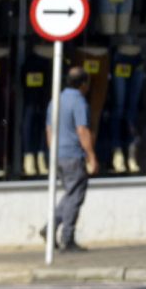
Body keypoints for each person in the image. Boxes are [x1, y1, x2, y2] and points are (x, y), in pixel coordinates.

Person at [50, 62, 96, 253]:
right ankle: (67, 238)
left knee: (69, 194)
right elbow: (82, 130)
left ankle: (50, 227)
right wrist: (91, 156)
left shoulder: (56, 100)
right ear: (83, 84)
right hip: (73, 155)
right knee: (75, 197)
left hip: (59, 155)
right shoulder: (79, 102)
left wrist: (53, 152)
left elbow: (49, 129)